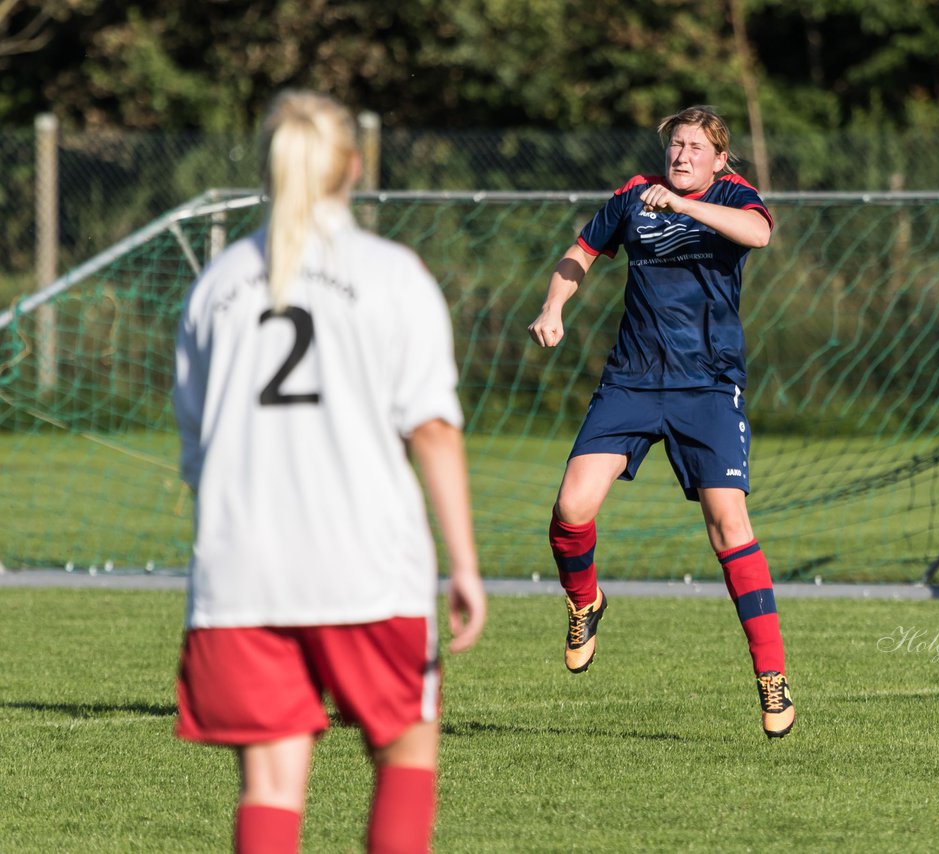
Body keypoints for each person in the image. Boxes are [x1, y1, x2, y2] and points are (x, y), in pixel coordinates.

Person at [172, 89, 486, 854]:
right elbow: (434, 431)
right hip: (367, 566)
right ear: (353, 164)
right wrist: (466, 565)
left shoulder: (213, 287)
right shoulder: (390, 273)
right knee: (406, 752)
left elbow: (196, 447)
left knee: (271, 790)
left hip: (243, 574)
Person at [527, 105, 793, 739]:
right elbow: (582, 251)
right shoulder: (633, 197)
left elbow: (757, 234)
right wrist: (553, 305)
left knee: (729, 526)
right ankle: (585, 601)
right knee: (570, 510)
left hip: (707, 385)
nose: (682, 157)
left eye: (696, 147)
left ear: (720, 158)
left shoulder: (734, 196)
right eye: (676, 145)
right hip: (633, 380)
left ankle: (772, 678)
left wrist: (686, 207)